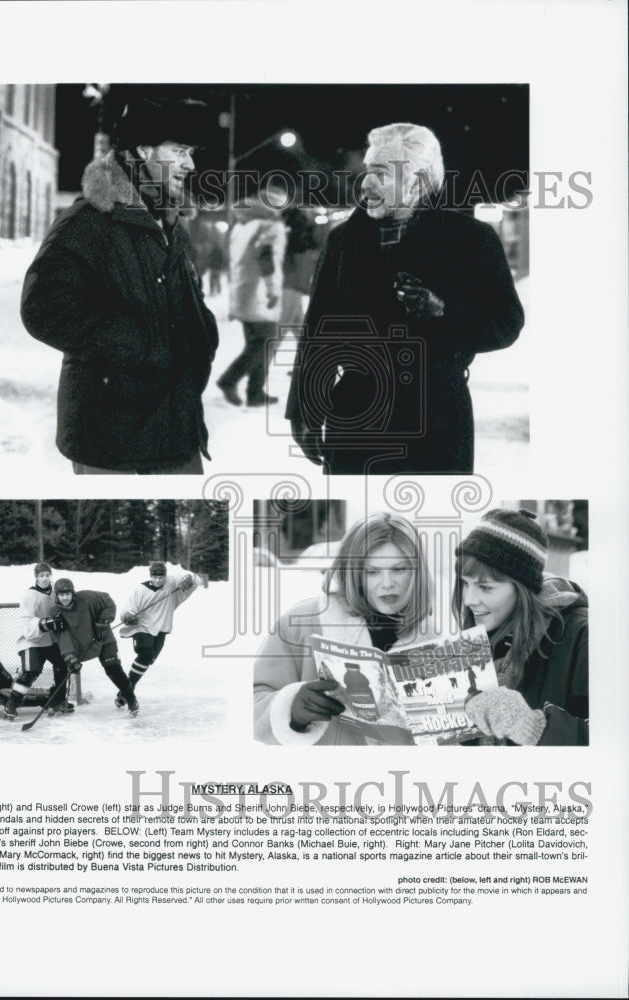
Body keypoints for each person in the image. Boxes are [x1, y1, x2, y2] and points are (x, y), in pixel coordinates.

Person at [286, 122, 525, 474]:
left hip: (437, 418)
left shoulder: (472, 239)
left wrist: (443, 311)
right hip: (355, 415)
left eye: (381, 172)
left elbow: (506, 324)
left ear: (418, 180)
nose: (366, 182)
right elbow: (318, 329)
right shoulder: (344, 240)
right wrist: (305, 409)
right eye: (368, 169)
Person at [20, 94, 219, 474]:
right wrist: (140, 345)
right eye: (179, 151)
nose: (190, 163)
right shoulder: (87, 222)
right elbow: (43, 307)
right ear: (143, 150)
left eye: (191, 152)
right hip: (113, 441)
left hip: (177, 431)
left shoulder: (172, 223)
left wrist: (202, 336)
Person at [253, 512, 433, 745]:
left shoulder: (433, 636)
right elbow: (252, 702)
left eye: (399, 569)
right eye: (372, 571)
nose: (387, 583)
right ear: (353, 573)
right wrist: (291, 707)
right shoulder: (301, 623)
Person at [452, 508, 588, 746]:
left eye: (485, 587)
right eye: (465, 584)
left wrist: (535, 728)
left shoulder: (583, 634)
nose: (469, 600)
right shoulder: (479, 634)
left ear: (522, 589)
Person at [216, 181, 289, 407]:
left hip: (242, 290)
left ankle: (255, 393)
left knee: (257, 343)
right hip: (260, 293)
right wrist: (272, 291)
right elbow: (265, 257)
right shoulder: (269, 225)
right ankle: (230, 380)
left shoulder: (241, 224)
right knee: (263, 344)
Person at [52, 577, 139, 716]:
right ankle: (59, 701)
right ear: (57, 596)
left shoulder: (87, 597)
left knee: (113, 669)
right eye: (61, 595)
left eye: (67, 594)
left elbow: (108, 602)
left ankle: (131, 699)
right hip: (83, 644)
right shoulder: (56, 613)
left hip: (104, 638)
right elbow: (63, 638)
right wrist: (71, 657)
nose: (65, 598)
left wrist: (103, 621)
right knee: (61, 666)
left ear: (72, 593)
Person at [117, 561, 199, 705]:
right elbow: (128, 608)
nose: (158, 580)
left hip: (161, 629)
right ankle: (128, 691)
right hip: (141, 627)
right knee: (145, 654)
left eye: (161, 577)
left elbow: (194, 579)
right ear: (150, 576)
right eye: (154, 577)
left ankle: (124, 690)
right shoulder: (140, 589)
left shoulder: (172, 583)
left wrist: (190, 578)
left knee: (148, 660)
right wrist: (128, 615)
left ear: (165, 576)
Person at [4, 562, 72, 720]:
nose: (45, 578)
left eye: (47, 575)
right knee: (31, 672)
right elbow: (27, 624)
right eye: (41, 575)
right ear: (36, 577)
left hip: (50, 640)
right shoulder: (29, 595)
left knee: (63, 664)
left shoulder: (56, 590)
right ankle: (11, 705)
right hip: (32, 641)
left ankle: (58, 700)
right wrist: (47, 623)